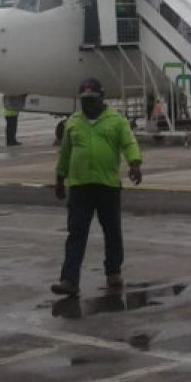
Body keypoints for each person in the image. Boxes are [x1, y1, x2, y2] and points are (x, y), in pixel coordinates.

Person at [51, 79, 142, 297]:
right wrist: (59, 178)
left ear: (102, 98)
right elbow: (65, 153)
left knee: (112, 232)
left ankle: (113, 271)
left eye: (91, 100)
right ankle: (69, 280)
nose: (87, 105)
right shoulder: (73, 123)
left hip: (107, 186)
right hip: (80, 186)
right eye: (84, 100)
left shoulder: (117, 121)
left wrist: (135, 163)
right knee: (76, 233)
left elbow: (129, 143)